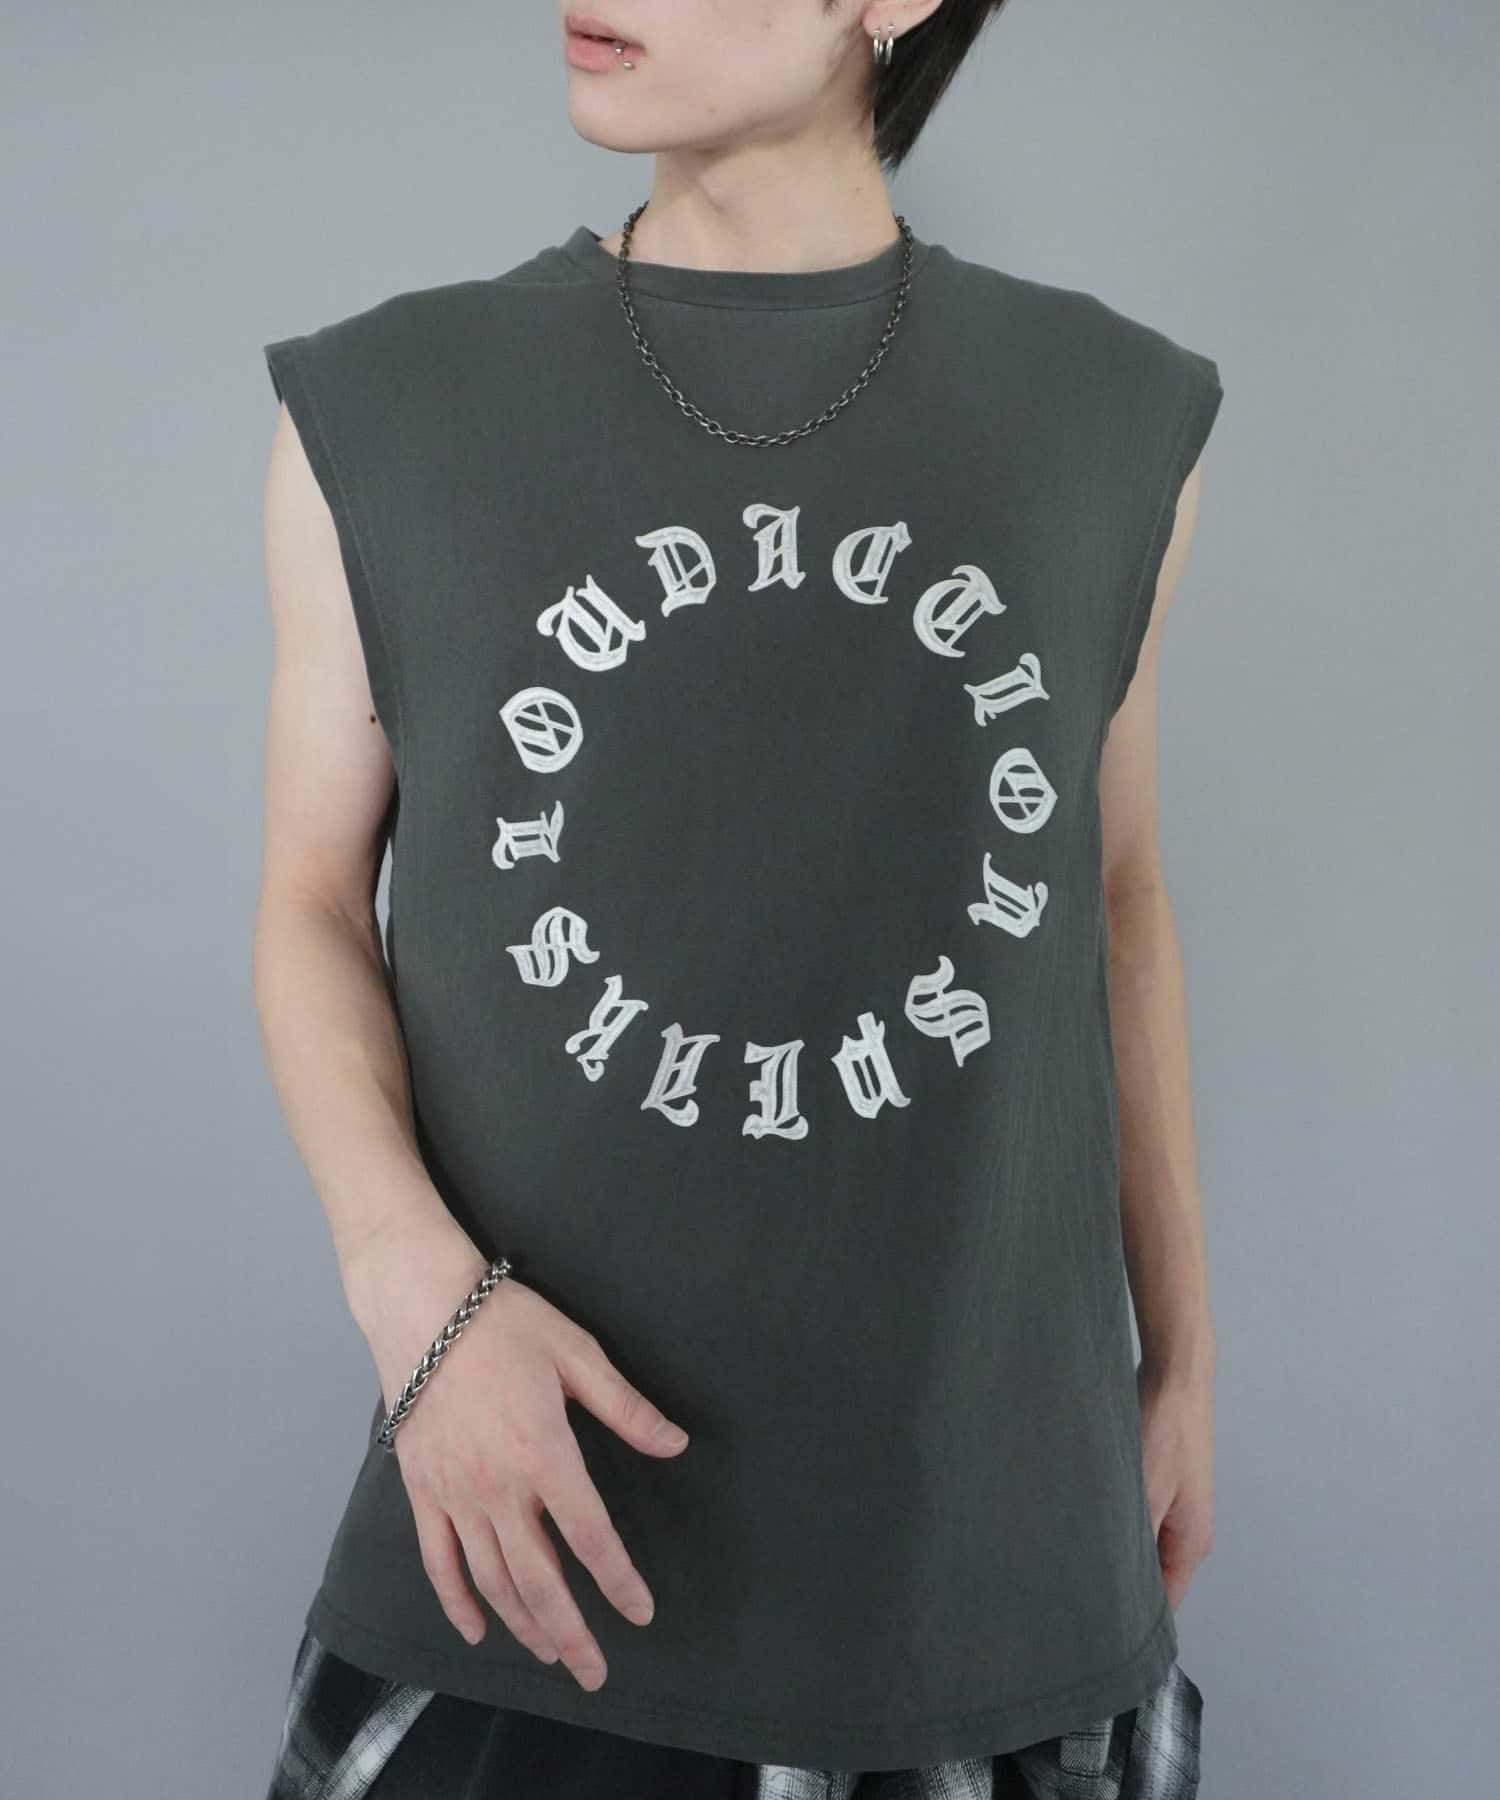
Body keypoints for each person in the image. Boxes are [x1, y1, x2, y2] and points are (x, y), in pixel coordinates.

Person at [254, 3, 1221, 1795]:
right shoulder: (384, 405)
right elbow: (311, 901)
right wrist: (418, 1311)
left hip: (987, 1569)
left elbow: (1115, 898)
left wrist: (1183, 1362)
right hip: (530, 1540)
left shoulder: (1105, 413)